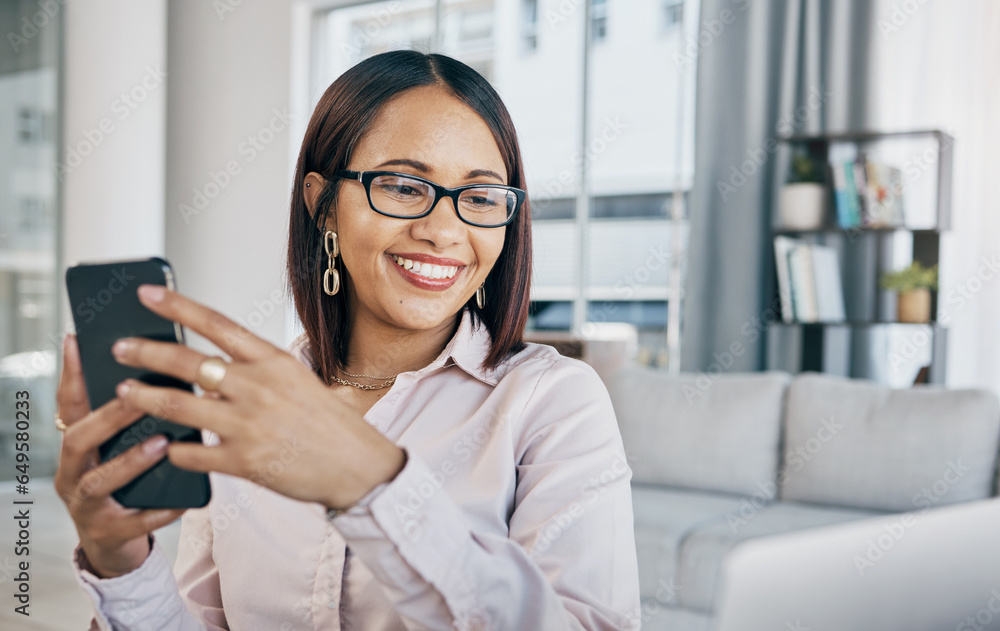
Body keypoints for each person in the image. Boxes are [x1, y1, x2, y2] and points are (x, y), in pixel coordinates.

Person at [55, 50, 640, 630]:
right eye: (405, 186)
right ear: (323, 204)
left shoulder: (553, 401)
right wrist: (121, 564)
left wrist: (369, 483)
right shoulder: (249, 409)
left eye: (481, 198)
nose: (443, 231)